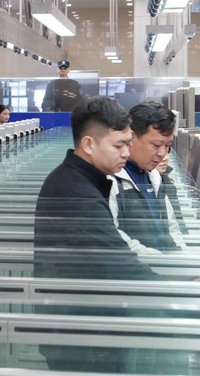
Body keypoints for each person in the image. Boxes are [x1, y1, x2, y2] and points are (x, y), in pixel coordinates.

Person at [34, 96, 160, 281]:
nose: (126, 153)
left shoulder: (75, 178)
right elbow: (123, 266)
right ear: (88, 145)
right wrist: (184, 297)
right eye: (119, 145)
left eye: (128, 144)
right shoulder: (78, 196)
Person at [112, 101, 187, 253]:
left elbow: (172, 228)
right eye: (156, 145)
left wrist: (182, 258)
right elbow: (115, 239)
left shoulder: (155, 177)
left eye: (167, 146)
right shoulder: (111, 181)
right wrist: (161, 261)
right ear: (131, 137)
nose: (162, 153)